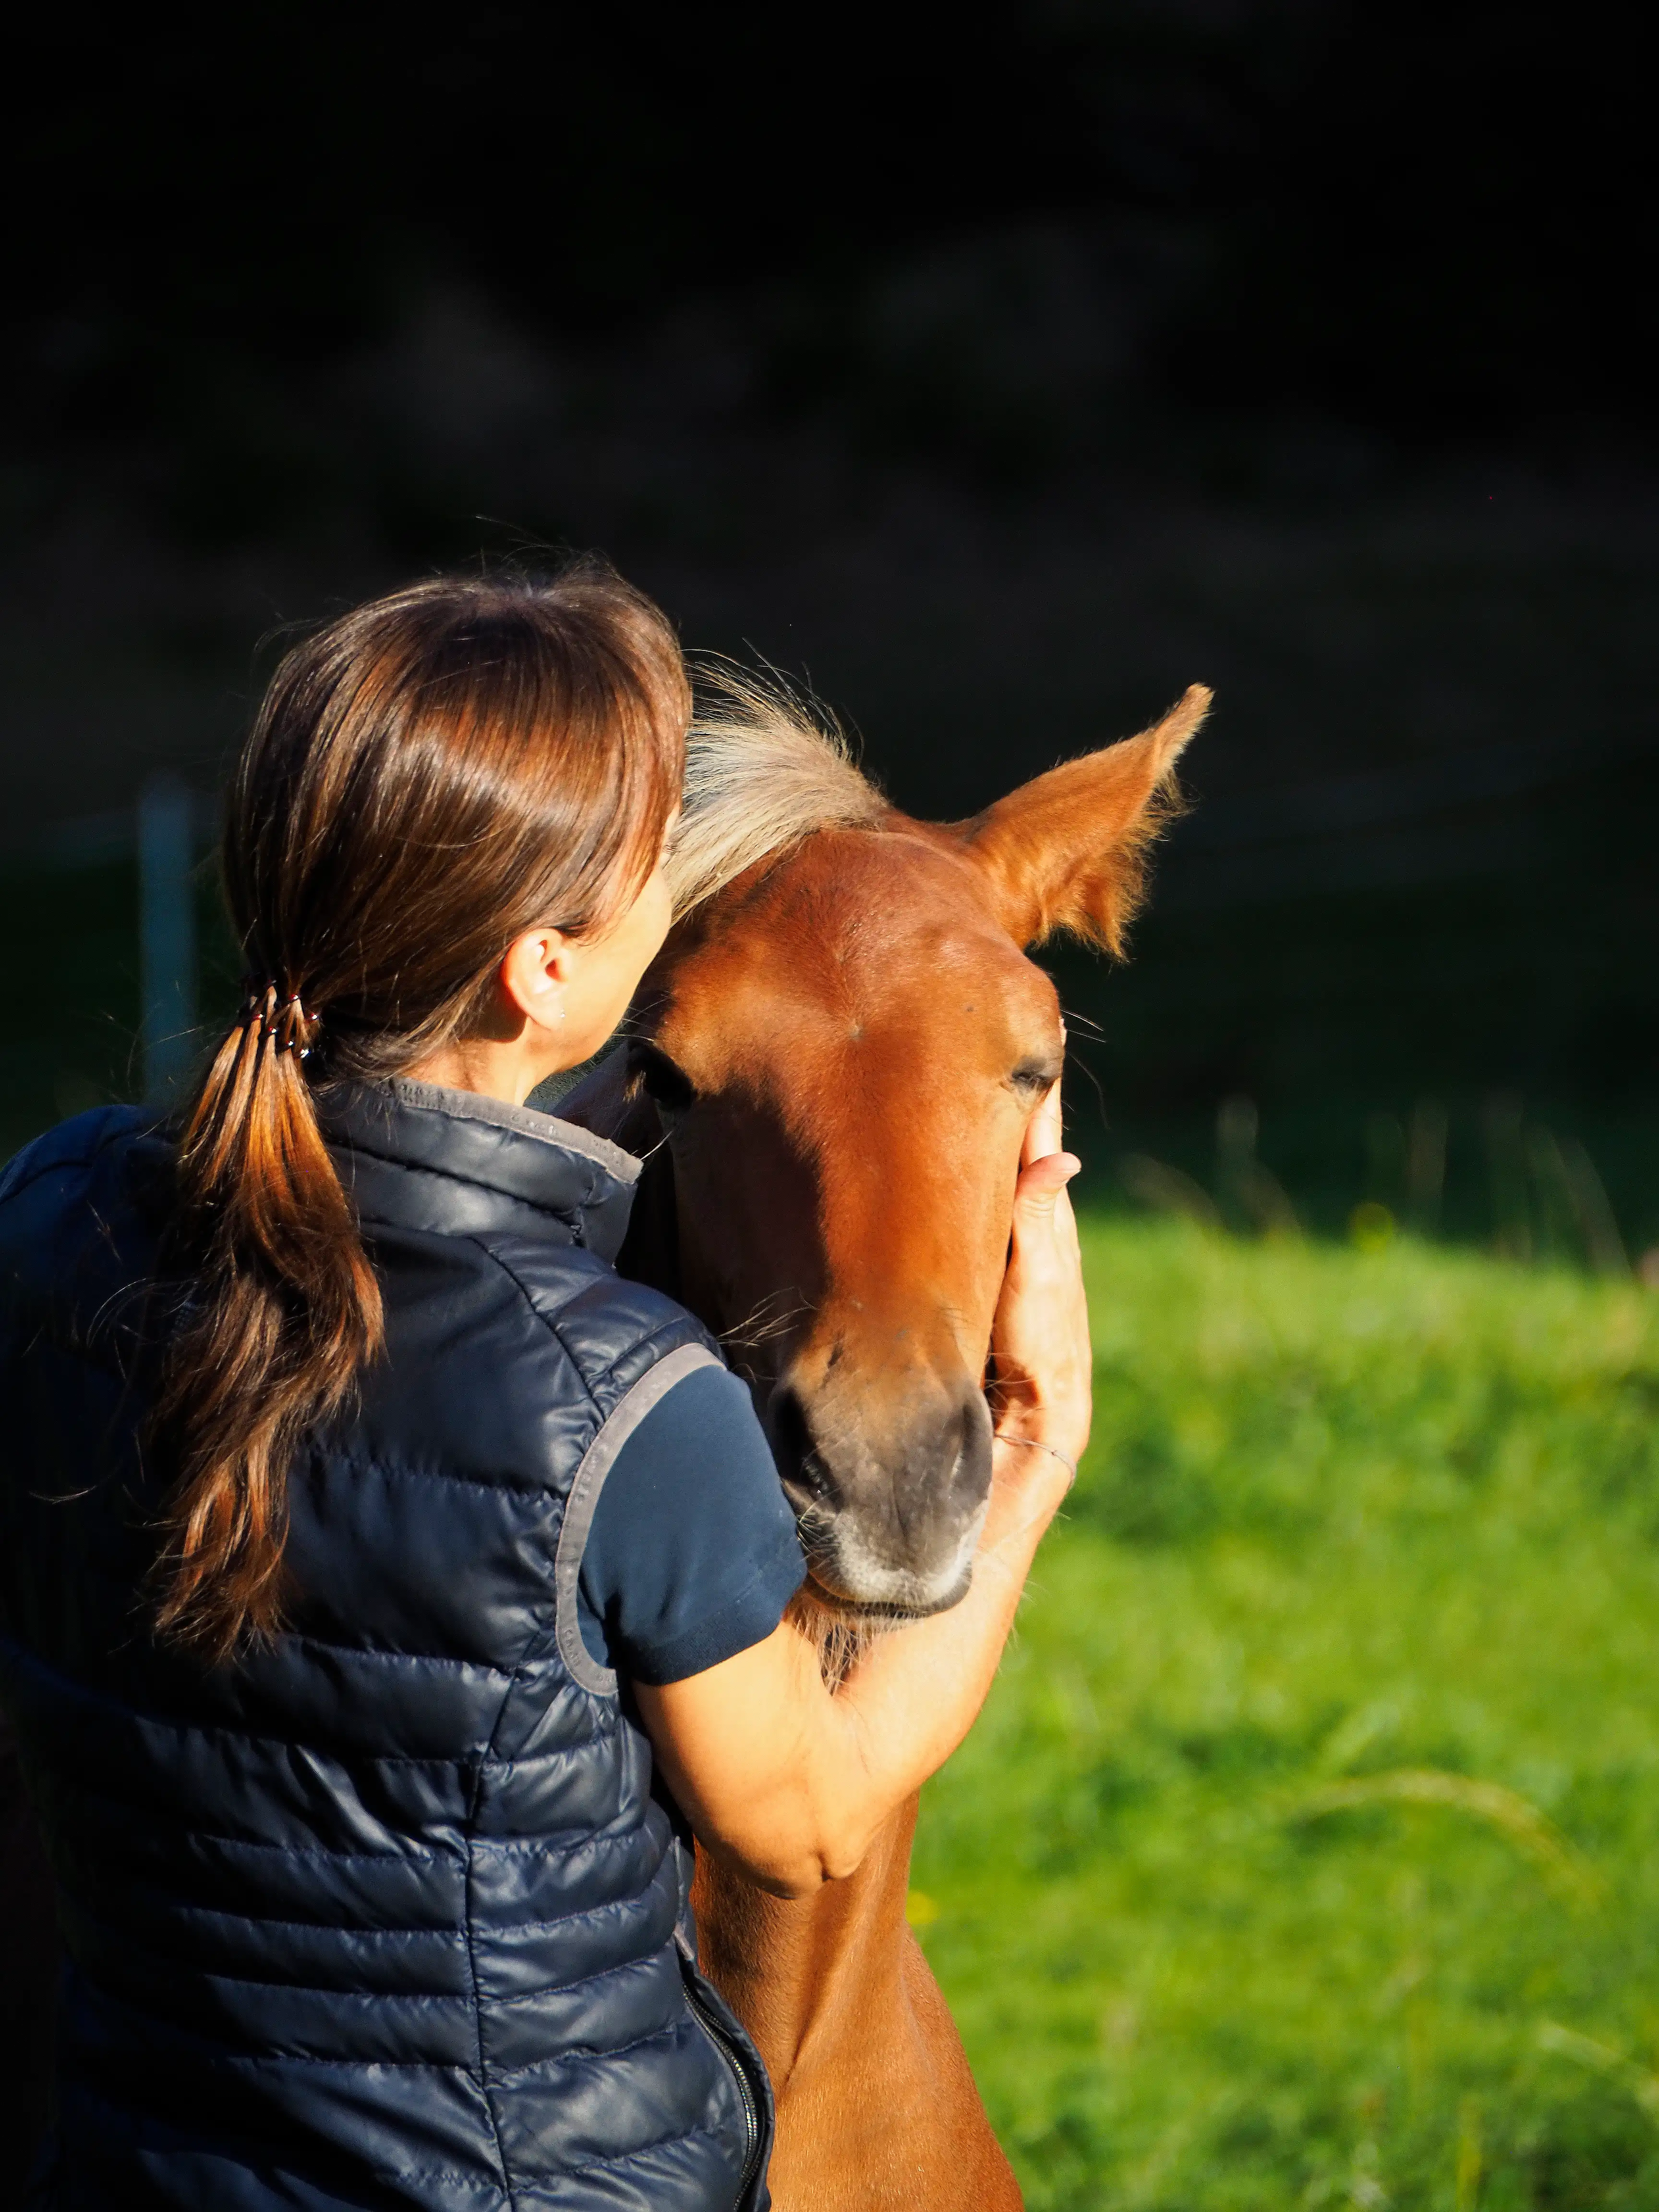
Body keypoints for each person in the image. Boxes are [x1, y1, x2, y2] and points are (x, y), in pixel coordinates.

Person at [0, 565, 1091, 2211]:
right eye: (662, 858)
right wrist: (1034, 1452)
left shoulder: (55, 1214)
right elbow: (803, 1825)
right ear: (544, 976)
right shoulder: (624, 1401)